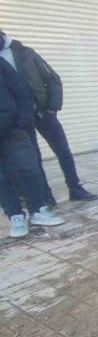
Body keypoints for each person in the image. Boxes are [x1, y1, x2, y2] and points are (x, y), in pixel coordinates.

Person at [1, 30, 98, 204]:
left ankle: (75, 188)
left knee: (63, 152)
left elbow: (52, 79)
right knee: (34, 159)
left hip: (42, 111)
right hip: (19, 119)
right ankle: (46, 196)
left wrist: (52, 107)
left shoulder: (25, 52)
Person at [1, 56, 66, 237]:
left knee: (29, 170)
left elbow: (21, 90)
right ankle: (15, 216)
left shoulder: (2, 64)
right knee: (1, 179)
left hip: (13, 128)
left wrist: (24, 119)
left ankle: (38, 210)